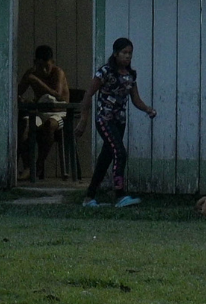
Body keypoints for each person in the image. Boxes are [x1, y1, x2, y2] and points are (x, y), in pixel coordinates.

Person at [81, 37, 156, 208]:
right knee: (120, 152)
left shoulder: (130, 76)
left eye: (130, 53)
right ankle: (120, 195)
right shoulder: (105, 72)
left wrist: (147, 109)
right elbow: (88, 94)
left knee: (105, 158)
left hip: (119, 122)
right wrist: (83, 120)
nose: (127, 57)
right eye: (124, 53)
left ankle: (89, 197)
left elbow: (136, 99)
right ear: (115, 54)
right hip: (104, 120)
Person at [17, 45, 70, 181]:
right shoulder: (31, 73)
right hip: (39, 112)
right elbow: (17, 92)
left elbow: (57, 95)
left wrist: (36, 81)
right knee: (24, 123)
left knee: (49, 125)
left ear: (52, 62)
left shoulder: (58, 73)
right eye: (40, 66)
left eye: (47, 66)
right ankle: (28, 166)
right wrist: (22, 99)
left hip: (57, 113)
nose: (44, 70)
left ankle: (39, 164)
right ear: (35, 63)